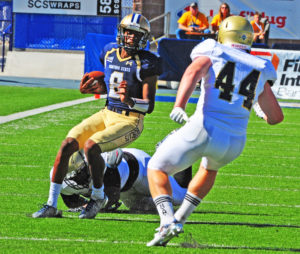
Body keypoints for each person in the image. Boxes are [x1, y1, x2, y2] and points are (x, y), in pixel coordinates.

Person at [146, 16, 284, 247]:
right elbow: (276, 118)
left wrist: (179, 105)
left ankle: (167, 219)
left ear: (223, 34)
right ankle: (180, 219)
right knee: (209, 169)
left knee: (156, 167)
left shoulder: (213, 49)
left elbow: (193, 72)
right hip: (234, 141)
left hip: (205, 126)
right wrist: (259, 110)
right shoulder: (260, 65)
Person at [32, 13, 161, 219]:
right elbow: (111, 82)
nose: (129, 38)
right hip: (107, 112)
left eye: (135, 35)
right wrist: (97, 87)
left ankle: (98, 197)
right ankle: (51, 205)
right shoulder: (109, 51)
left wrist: (130, 100)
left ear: (143, 37)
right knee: (67, 144)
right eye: (127, 33)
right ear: (121, 32)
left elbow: (150, 106)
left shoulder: (147, 62)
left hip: (131, 120)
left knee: (92, 146)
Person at [51, 148, 192, 213]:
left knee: (180, 198)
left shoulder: (105, 165)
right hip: (126, 188)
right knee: (142, 208)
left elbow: (111, 198)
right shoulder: (61, 180)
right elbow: (71, 201)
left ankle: (175, 150)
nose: (84, 173)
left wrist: (92, 206)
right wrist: (84, 205)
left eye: (84, 169)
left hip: (141, 169)